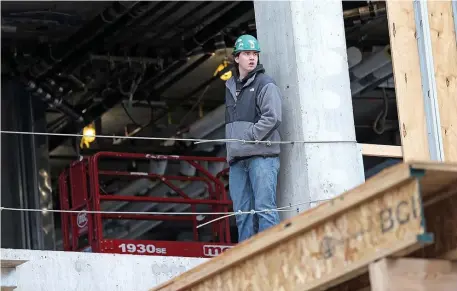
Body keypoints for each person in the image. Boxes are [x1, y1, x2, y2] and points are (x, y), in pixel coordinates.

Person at [224, 34, 283, 242]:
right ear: (237, 58)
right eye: (247, 54)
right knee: (242, 215)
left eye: (255, 54)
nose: (252, 58)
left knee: (265, 209)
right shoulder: (230, 86)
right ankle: (247, 258)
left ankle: (270, 255)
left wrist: (249, 137)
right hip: (238, 160)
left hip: (262, 157)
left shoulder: (265, 83)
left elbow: (273, 117)